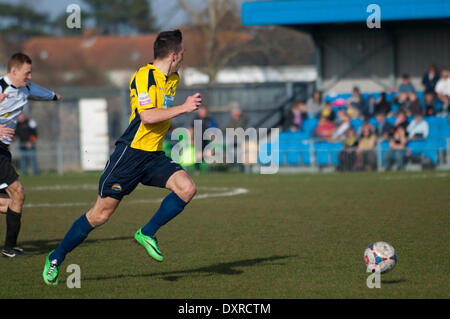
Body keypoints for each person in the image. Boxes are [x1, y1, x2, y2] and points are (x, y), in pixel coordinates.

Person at [42, 30, 202, 285]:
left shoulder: (173, 78)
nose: (184, 56)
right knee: (100, 215)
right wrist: (183, 108)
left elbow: (160, 116)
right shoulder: (144, 76)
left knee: (187, 188)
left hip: (153, 156)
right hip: (130, 154)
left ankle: (147, 232)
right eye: (182, 52)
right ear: (174, 54)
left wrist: (174, 123)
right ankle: (56, 256)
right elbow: (147, 116)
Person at [0, 52, 61, 258]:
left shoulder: (25, 88)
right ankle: (9, 249)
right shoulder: (0, 88)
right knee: (18, 193)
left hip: (3, 151)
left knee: (9, 203)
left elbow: (39, 92)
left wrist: (54, 96)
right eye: (27, 73)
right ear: (14, 70)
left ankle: (10, 247)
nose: (30, 77)